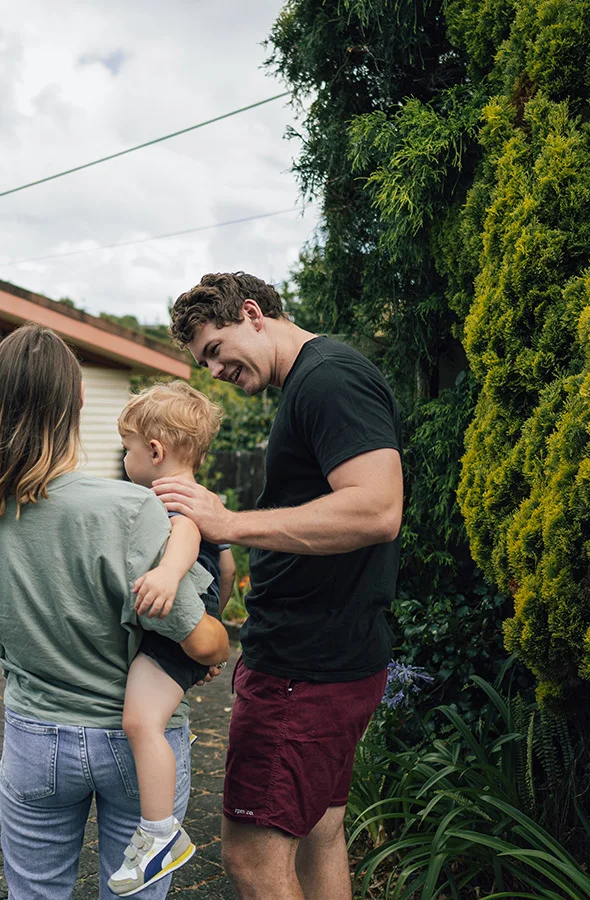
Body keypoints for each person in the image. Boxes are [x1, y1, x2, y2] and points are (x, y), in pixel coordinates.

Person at [154, 272, 403, 900]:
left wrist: (229, 522)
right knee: (321, 831)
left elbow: (377, 509)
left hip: (304, 667)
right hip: (328, 657)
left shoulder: (328, 380)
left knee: (252, 854)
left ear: (251, 313)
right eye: (202, 361)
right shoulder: (314, 380)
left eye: (214, 350)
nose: (212, 370)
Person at [0, 324, 231, 900]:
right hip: (133, 746)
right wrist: (210, 652)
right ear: (76, 404)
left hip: (34, 737)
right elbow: (201, 640)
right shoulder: (131, 509)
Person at [110, 382, 237, 896]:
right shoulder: (210, 499)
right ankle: (158, 829)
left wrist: (167, 576)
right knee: (147, 719)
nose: (125, 458)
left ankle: (160, 832)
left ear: (155, 452)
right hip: (188, 628)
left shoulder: (169, 496)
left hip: (171, 627)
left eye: (129, 448)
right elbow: (226, 568)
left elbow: (184, 533)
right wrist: (206, 627)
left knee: (141, 721)